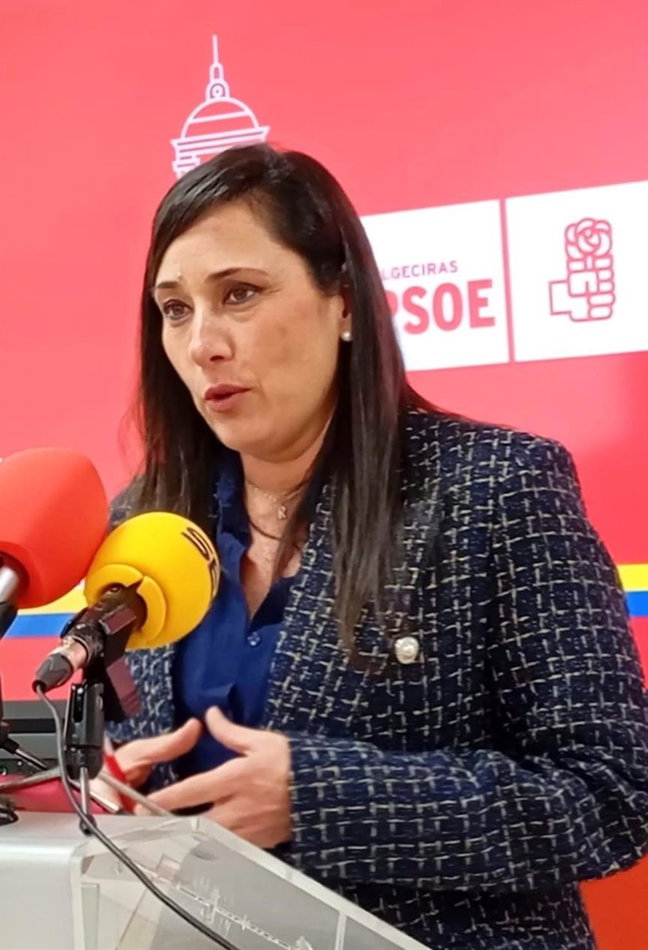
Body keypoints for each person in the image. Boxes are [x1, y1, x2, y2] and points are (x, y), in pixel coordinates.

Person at [104, 143, 648, 949]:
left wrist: (323, 799)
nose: (202, 343)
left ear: (346, 305)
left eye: (240, 294)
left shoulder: (496, 487)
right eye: (175, 308)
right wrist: (110, 790)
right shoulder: (141, 522)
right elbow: (125, 740)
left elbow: (611, 793)